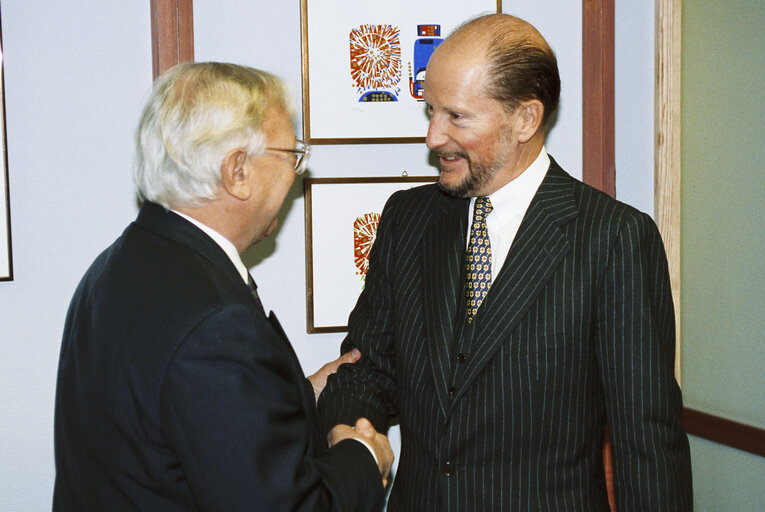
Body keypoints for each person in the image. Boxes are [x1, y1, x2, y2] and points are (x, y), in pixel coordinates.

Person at [318, 14, 692, 511]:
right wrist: (350, 429)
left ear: (525, 120)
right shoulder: (407, 219)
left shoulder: (612, 238)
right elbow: (368, 367)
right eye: (431, 111)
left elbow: (647, 444)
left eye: (457, 116)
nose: (432, 137)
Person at [53, 61, 393, 511]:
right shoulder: (216, 323)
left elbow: (186, 419)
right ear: (237, 171)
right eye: (292, 155)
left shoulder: (121, 264)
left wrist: (296, 393)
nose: (296, 174)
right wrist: (364, 458)